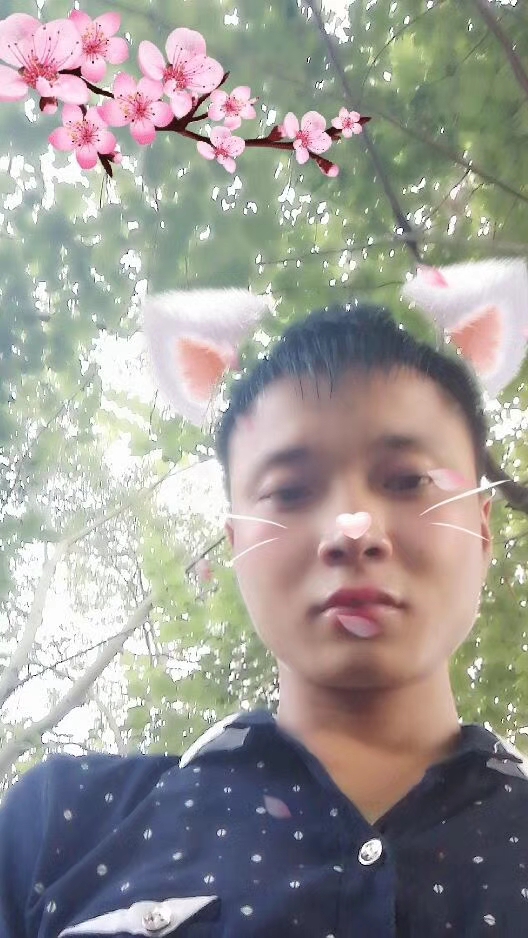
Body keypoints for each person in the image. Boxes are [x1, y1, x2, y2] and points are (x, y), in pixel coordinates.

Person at [1, 301, 527, 937]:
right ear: (236, 547)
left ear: (481, 530)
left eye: (409, 480)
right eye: (290, 492)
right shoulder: (62, 827)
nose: (352, 531)